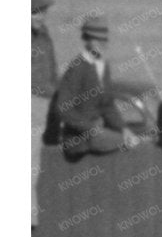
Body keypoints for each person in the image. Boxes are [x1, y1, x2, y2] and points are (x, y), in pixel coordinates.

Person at [50, 14, 135, 162]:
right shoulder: (77, 67)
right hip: (77, 139)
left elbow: (107, 105)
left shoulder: (104, 66)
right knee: (129, 143)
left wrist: (124, 128)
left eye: (103, 39)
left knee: (132, 140)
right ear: (87, 40)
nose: (101, 43)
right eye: (96, 39)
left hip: (98, 134)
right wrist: (90, 128)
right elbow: (63, 107)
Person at [32, 0, 56, 225]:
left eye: (42, 12)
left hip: (45, 100)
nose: (40, 16)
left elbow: (51, 65)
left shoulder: (43, 34)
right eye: (34, 12)